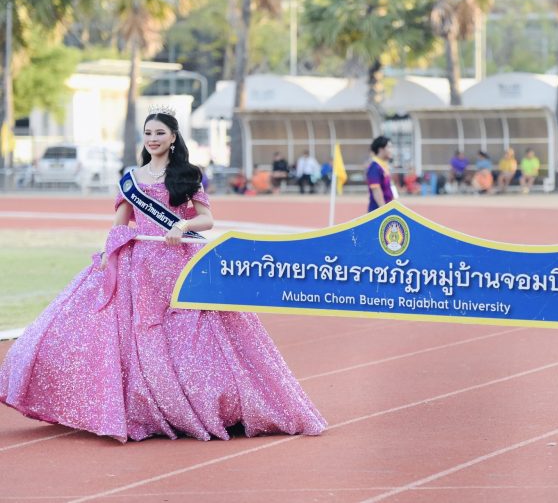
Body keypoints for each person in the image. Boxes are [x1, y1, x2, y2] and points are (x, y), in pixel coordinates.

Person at [0, 108, 327, 442]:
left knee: (192, 336)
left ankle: (207, 403)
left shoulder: (187, 175)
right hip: (139, 268)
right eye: (148, 133)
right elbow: (120, 225)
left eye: (159, 133)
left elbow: (207, 220)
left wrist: (182, 225)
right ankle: (145, 408)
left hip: (180, 264)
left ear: (173, 137)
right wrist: (109, 255)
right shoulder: (131, 179)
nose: (153, 139)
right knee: (129, 335)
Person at [367, 135, 395, 212]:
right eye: (389, 147)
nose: (391, 150)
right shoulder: (374, 167)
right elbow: (376, 189)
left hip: (387, 208)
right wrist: (384, 211)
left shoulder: (383, 166)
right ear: (381, 149)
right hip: (378, 211)